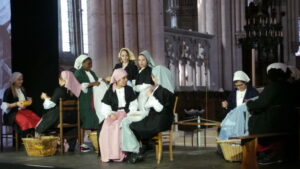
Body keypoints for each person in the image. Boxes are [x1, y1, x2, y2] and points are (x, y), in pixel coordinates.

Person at [246, 63, 296, 164]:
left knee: (254, 120)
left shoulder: (273, 86)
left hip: (277, 122)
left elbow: (262, 103)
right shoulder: (289, 86)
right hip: (289, 119)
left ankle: (267, 152)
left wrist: (250, 103)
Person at [130, 65, 175, 147]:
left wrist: (150, 95)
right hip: (158, 118)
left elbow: (159, 108)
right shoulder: (161, 88)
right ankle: (143, 146)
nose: (152, 79)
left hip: (161, 120)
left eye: (154, 77)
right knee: (135, 124)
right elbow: (148, 106)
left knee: (134, 126)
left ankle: (139, 150)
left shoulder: (164, 91)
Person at [99, 68, 138, 162]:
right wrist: (109, 114)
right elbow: (105, 105)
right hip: (113, 114)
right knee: (106, 127)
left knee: (118, 126)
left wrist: (130, 114)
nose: (126, 80)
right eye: (123, 78)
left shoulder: (129, 89)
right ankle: (110, 154)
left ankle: (120, 154)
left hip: (126, 113)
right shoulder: (110, 91)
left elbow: (134, 104)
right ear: (117, 79)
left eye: (126, 78)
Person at [74, 54, 107, 152]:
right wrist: (93, 84)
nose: (90, 65)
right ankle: (81, 144)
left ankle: (97, 142)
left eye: (91, 64)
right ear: (82, 63)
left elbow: (96, 81)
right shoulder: (78, 73)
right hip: (85, 99)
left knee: (95, 119)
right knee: (86, 120)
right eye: (88, 64)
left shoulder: (91, 72)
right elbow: (79, 86)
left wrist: (101, 80)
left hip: (94, 98)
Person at [1, 72, 40, 137]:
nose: (21, 81)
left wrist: (28, 102)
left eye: (22, 79)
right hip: (12, 113)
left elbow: (23, 102)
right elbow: (5, 106)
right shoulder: (9, 91)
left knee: (37, 120)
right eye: (19, 80)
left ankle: (34, 140)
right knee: (25, 121)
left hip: (23, 111)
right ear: (14, 80)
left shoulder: (22, 90)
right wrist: (16, 104)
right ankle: (26, 142)